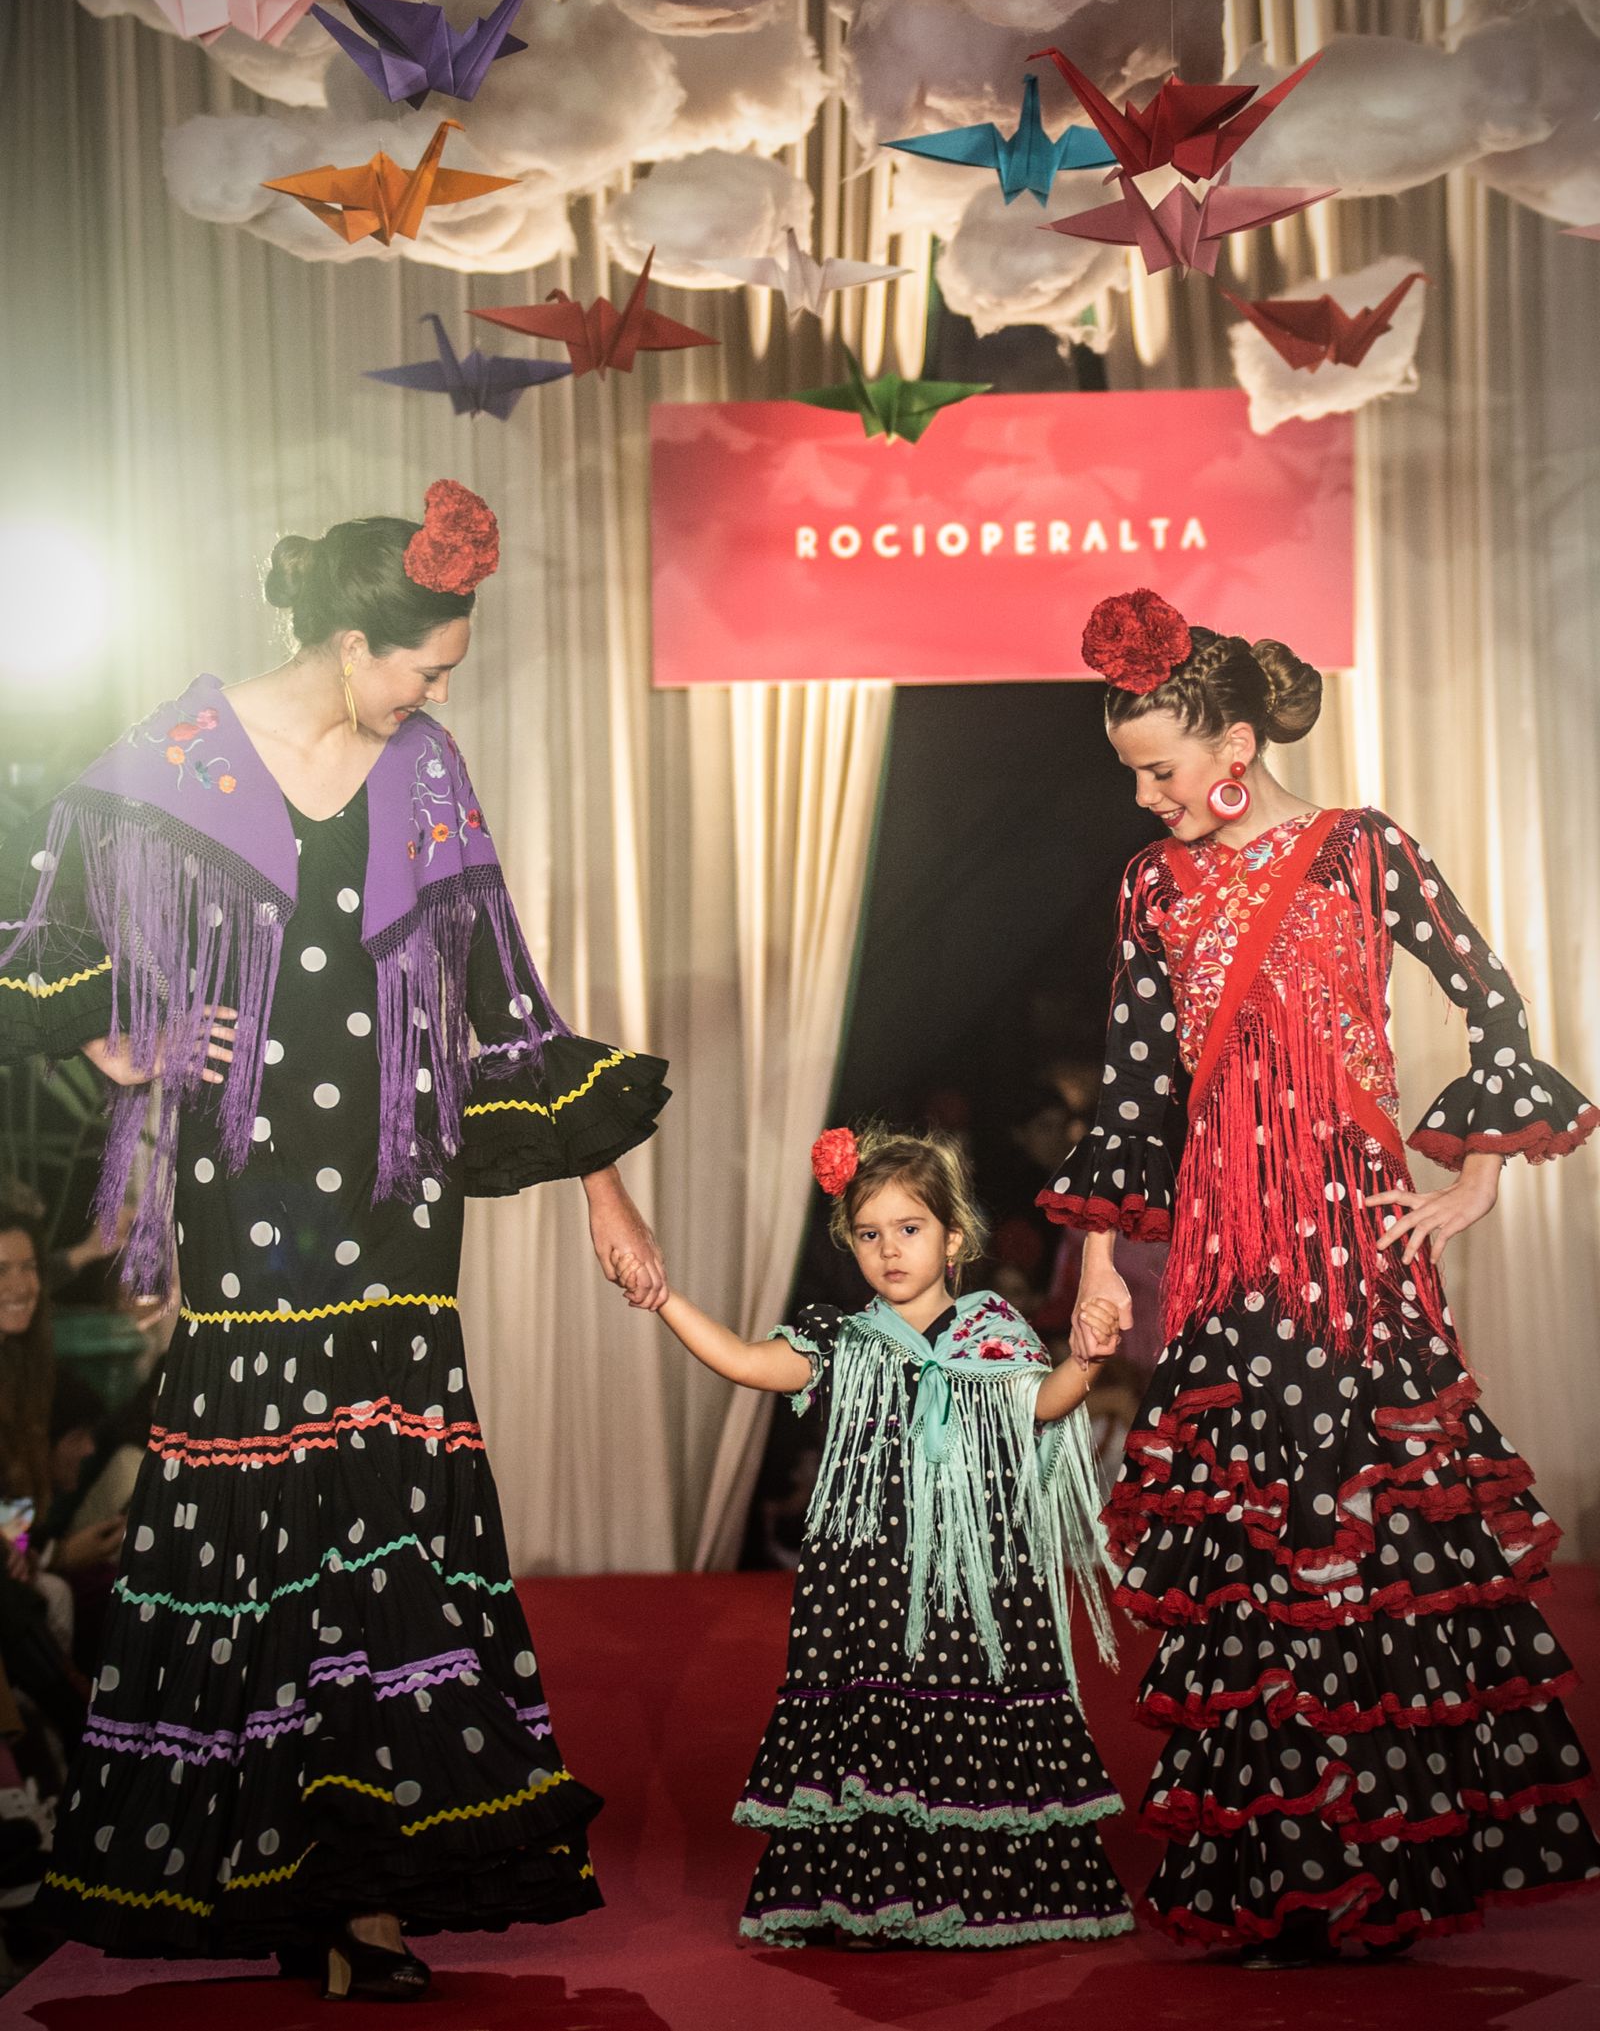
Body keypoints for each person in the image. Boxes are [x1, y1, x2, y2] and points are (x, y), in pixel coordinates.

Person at [0, 480, 671, 1997]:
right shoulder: (168, 759)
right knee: (258, 1513)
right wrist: (121, 1045)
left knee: (385, 1513)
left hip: (393, 1189)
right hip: (248, 1184)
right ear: (354, 636)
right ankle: (270, 1867)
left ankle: (366, 1896)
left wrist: (599, 1183)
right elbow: (46, 952)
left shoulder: (422, 765)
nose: (441, 694)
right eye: (425, 666)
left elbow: (509, 1004)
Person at [1045, 587, 1600, 1963]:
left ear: (1233, 742)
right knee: (1254, 1540)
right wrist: (1103, 1258)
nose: (1149, 796)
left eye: (1161, 768)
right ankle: (1272, 1862)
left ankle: (1387, 1863)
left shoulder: (1361, 850)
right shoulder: (1152, 885)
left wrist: (1472, 1171)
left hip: (1353, 1241)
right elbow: (1132, 1090)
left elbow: (1492, 999)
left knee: (1370, 1533)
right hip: (1227, 1251)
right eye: (1132, 775)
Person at [635, 1122, 1133, 1950]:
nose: (889, 1250)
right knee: (875, 1734)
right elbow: (745, 1361)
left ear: (953, 1237)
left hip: (971, 1584)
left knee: (966, 1720)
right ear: (850, 1244)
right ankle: (872, 1898)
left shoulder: (994, 1332)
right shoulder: (844, 1340)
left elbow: (1042, 1406)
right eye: (869, 1234)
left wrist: (1088, 1359)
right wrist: (665, 1299)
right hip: (865, 1586)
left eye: (909, 1229)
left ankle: (979, 1894)